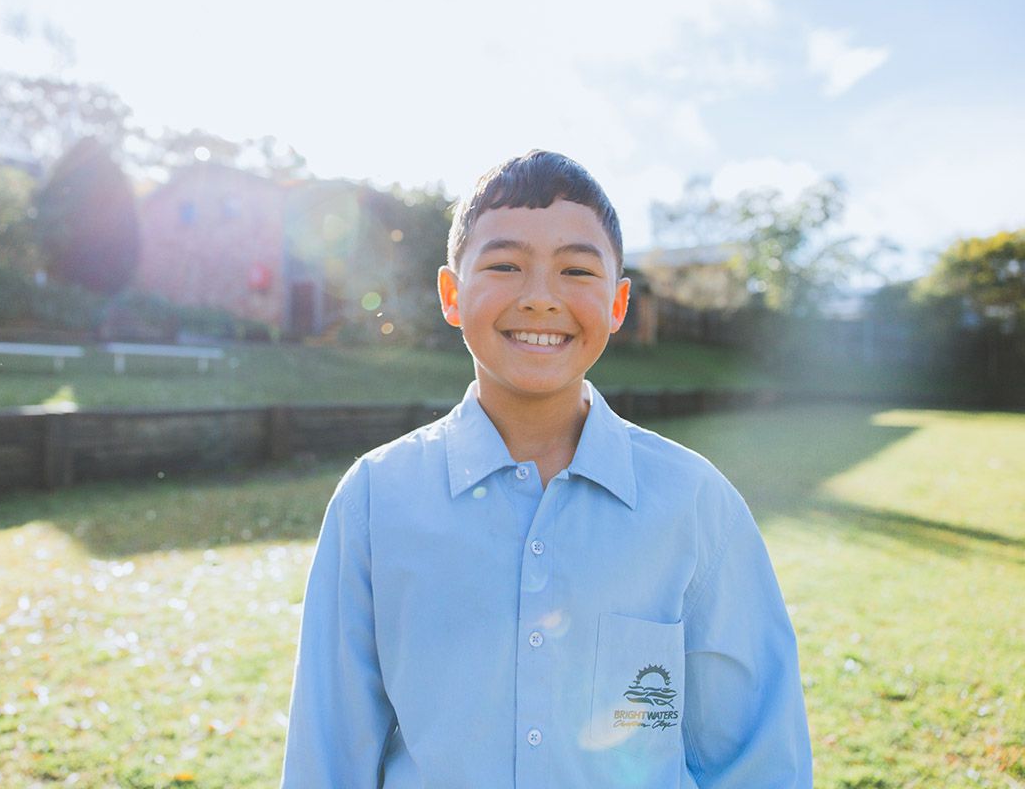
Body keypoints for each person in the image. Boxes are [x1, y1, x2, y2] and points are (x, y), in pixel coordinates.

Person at [281, 150, 812, 787]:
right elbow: (329, 751)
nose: (540, 299)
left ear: (618, 305)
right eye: (505, 265)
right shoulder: (375, 498)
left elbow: (757, 758)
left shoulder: (696, 503)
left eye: (576, 271)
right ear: (452, 294)